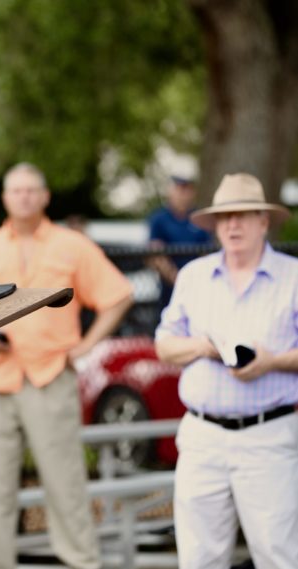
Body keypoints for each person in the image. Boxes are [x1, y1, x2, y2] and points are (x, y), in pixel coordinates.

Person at [0, 162, 133, 569]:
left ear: (45, 196)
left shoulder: (72, 245)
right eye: (15, 190)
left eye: (31, 190)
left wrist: (86, 345)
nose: (23, 197)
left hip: (51, 377)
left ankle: (81, 562)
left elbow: (118, 295)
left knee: (65, 483)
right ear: (4, 197)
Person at [155, 173, 298, 569]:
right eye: (224, 217)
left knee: (279, 555)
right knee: (200, 558)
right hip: (202, 437)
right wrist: (203, 347)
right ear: (215, 225)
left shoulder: (293, 277)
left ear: (264, 221)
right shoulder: (193, 277)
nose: (233, 225)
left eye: (243, 215)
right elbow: (164, 343)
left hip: (267, 436)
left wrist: (273, 361)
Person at [148, 175, 212, 307]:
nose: (183, 194)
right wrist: (177, 279)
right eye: (179, 189)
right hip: (169, 288)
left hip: (197, 285)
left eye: (187, 189)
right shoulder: (159, 219)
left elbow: (207, 253)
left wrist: (197, 280)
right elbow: (156, 254)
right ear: (170, 191)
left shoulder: (198, 218)